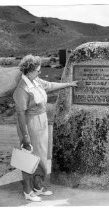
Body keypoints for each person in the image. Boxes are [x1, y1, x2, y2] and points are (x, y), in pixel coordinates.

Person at [13, 54, 79, 202]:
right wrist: (25, 136)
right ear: (29, 71)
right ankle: (28, 191)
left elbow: (50, 85)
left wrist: (69, 84)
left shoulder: (35, 81)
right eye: (37, 70)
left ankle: (38, 186)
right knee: (29, 157)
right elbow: (20, 115)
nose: (40, 72)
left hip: (42, 121)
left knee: (42, 156)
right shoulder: (22, 89)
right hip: (30, 124)